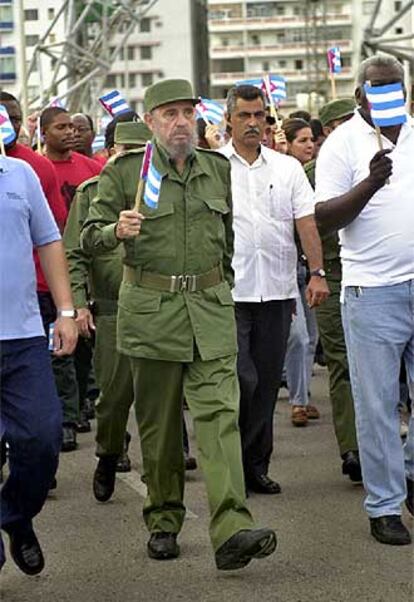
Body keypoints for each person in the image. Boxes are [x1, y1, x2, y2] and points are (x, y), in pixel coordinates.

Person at [81, 78, 277, 570]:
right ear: (150, 122)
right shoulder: (126, 172)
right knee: (161, 428)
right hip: (152, 313)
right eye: (168, 114)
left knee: (219, 420)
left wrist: (220, 286)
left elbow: (226, 238)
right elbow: (88, 237)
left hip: (209, 312)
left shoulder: (216, 169)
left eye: (187, 112)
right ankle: (164, 518)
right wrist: (113, 230)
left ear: (198, 117)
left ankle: (232, 526)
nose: (180, 122)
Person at [315, 55, 414, 545]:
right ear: (360, 95)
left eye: (396, 88)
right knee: (376, 405)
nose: (389, 98)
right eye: (379, 90)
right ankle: (384, 505)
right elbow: (324, 219)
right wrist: (371, 183)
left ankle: (409, 475)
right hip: (372, 291)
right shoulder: (340, 145)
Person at [219, 85, 329, 494]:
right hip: (228, 294)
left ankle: (255, 465)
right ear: (229, 119)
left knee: (266, 383)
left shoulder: (287, 169)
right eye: (244, 115)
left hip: (278, 291)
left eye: (259, 116)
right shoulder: (213, 167)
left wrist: (316, 272)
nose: (252, 123)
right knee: (240, 378)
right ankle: (232, 464)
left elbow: (306, 222)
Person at [0, 154, 78, 575]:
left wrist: (65, 311)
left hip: (23, 334)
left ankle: (14, 514)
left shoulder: (19, 174)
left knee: (43, 440)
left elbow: (48, 240)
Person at [64, 119, 152, 492]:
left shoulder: (162, 191)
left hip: (158, 306)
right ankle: (109, 451)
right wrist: (79, 305)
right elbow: (74, 253)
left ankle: (164, 473)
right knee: (114, 398)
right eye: (124, 153)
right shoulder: (92, 193)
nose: (130, 161)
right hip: (113, 309)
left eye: (138, 154)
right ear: (111, 152)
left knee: (158, 399)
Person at [41, 106, 102, 449]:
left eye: (72, 127)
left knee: (85, 343)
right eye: (61, 127)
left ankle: (82, 404)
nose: (70, 133)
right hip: (50, 270)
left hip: (86, 269)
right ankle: (66, 416)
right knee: (58, 345)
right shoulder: (37, 169)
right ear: (45, 133)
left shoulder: (92, 170)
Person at [310, 97, 362, 482]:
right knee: (342, 362)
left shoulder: (378, 162)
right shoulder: (312, 173)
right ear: (328, 130)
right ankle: (353, 448)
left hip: (373, 273)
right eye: (344, 122)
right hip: (332, 273)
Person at [281, 118, 321, 428]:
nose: (309, 145)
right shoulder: (282, 172)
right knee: (297, 336)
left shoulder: (315, 173)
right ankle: (297, 401)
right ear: (288, 144)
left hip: (307, 267)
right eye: (302, 140)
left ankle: (302, 395)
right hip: (285, 267)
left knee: (311, 336)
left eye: (312, 140)